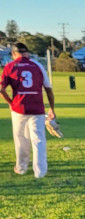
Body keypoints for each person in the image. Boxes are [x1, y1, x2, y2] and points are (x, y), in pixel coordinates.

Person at [2, 42, 56, 178]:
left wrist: (10, 102)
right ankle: (40, 172)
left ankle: (21, 168)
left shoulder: (10, 66)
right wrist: (52, 108)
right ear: (27, 53)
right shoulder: (37, 66)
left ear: (14, 54)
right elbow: (48, 89)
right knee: (38, 139)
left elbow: (1, 89)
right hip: (37, 107)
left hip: (19, 108)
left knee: (20, 138)